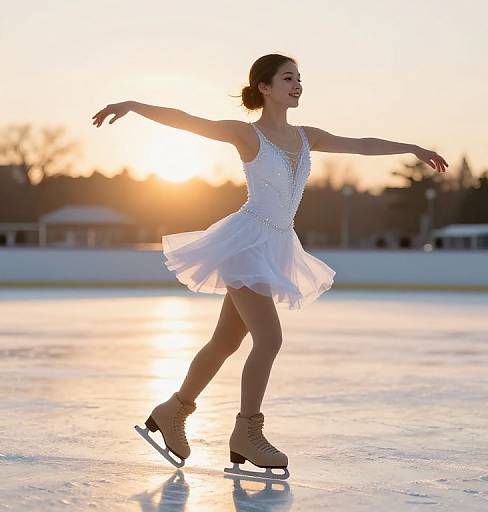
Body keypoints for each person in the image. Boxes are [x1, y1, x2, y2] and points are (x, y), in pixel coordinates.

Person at [92, 53, 448, 477]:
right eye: (288, 78)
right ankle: (247, 432)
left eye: (299, 78)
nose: (297, 85)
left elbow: (360, 144)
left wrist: (412, 148)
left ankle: (172, 410)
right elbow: (187, 120)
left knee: (224, 343)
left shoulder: (305, 135)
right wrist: (133, 105)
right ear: (264, 87)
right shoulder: (247, 135)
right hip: (245, 243)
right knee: (269, 338)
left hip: (276, 244)